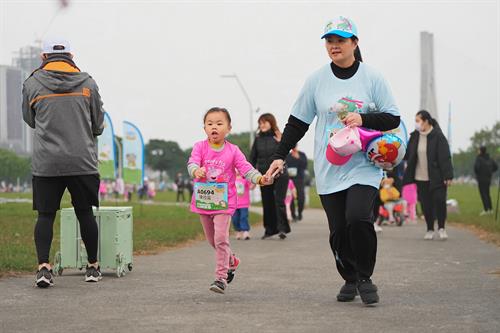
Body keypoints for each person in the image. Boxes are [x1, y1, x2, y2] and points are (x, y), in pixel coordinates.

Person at [265, 16, 401, 305]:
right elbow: (297, 123)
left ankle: (365, 277)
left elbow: (392, 117)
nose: (335, 46)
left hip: (364, 164)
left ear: (355, 43)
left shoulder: (372, 77)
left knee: (358, 217)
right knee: (338, 230)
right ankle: (349, 277)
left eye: (341, 40)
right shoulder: (316, 81)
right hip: (329, 167)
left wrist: (363, 118)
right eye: (330, 41)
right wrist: (279, 156)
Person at [22, 39, 105, 287]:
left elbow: (30, 120)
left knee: (45, 215)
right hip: (82, 160)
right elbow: (98, 123)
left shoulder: (32, 83)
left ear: (43, 56)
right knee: (84, 213)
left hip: (47, 162)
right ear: (71, 55)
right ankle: (92, 266)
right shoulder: (88, 83)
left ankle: (44, 268)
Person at [187, 107, 273, 294]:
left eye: (219, 123)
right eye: (210, 124)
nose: (214, 127)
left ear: (229, 128)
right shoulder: (199, 147)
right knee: (212, 240)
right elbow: (192, 163)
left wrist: (259, 179)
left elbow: (246, 169)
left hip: (224, 203)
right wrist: (196, 170)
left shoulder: (233, 151)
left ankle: (220, 278)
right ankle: (232, 261)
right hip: (204, 201)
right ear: (204, 128)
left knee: (220, 238)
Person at [403, 110, 454, 240]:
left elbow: (445, 157)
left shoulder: (438, 136)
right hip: (420, 177)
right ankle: (430, 228)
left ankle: (441, 227)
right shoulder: (415, 136)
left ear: (426, 121)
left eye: (418, 121)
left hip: (437, 177)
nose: (416, 124)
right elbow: (408, 154)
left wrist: (448, 175)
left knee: (439, 201)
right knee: (426, 204)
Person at [250, 113, 291, 240]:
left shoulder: (278, 136)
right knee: (267, 202)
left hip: (280, 174)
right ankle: (270, 229)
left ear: (271, 123)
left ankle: (282, 229)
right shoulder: (257, 139)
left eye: (264, 122)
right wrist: (251, 177)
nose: (261, 125)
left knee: (279, 201)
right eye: (260, 123)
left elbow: (288, 150)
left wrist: (282, 141)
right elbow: (252, 158)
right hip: (264, 176)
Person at [286, 145, 308, 221]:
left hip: (299, 179)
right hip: (290, 180)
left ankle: (300, 212)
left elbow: (305, 166)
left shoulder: (302, 155)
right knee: (290, 197)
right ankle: (293, 215)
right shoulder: (288, 156)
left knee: (301, 198)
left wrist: (298, 158)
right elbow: (285, 165)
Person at [474, 146, 498, 215]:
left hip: (481, 179)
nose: (478, 151)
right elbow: (496, 167)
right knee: (487, 194)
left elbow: (476, 168)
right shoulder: (490, 158)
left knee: (483, 194)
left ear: (481, 151)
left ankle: (486, 210)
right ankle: (490, 209)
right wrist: (490, 172)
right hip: (488, 178)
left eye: (478, 150)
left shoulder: (479, 158)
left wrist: (478, 174)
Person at [232, 172, 254, 240]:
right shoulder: (231, 179)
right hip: (234, 204)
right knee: (235, 219)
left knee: (243, 217)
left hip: (244, 204)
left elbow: (251, 187)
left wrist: (254, 181)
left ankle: (245, 231)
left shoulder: (245, 179)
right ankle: (238, 231)